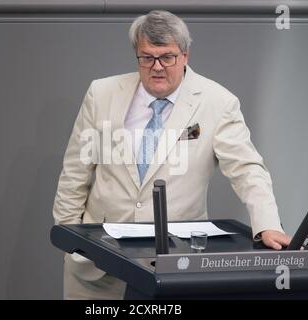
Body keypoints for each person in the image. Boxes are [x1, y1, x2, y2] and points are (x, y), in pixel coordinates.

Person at [53, 10, 291, 300]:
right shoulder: (101, 93)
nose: (157, 67)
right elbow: (75, 171)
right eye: (147, 57)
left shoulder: (218, 102)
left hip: (176, 266)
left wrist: (267, 224)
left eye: (167, 57)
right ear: (137, 55)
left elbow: (247, 169)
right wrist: (71, 241)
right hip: (98, 263)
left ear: (185, 55)